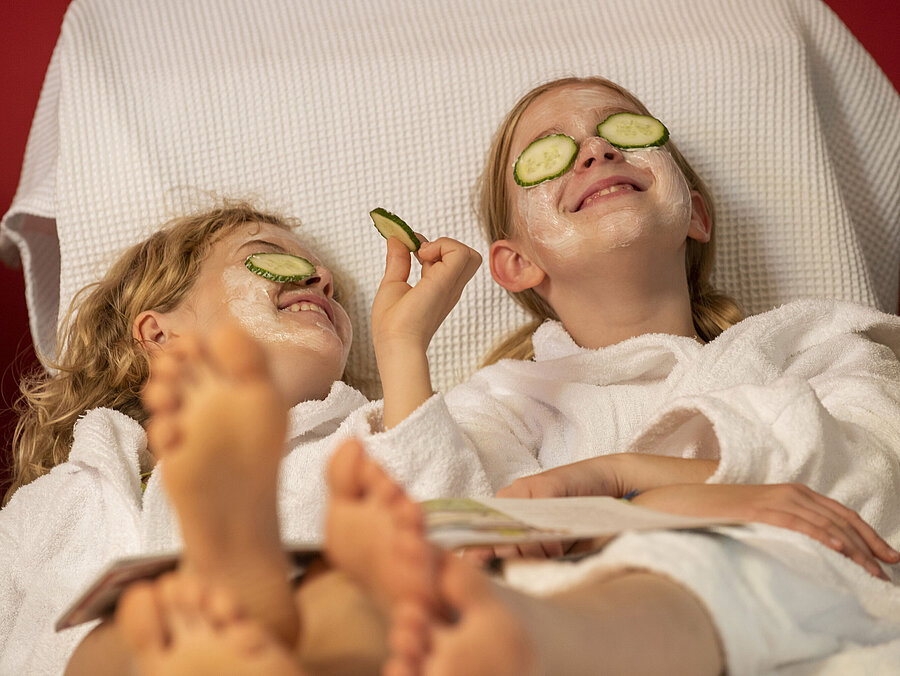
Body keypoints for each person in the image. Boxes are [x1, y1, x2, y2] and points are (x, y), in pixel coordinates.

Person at [365, 75, 900, 672]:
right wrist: (401, 345)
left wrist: (611, 478)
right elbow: (443, 542)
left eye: (620, 132)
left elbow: (874, 486)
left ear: (695, 213)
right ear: (516, 264)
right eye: (550, 153)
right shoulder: (507, 404)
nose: (597, 151)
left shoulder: (815, 345)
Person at [0, 201, 488, 675]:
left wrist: (402, 346)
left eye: (332, 288)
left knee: (344, 610)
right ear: (159, 335)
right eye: (270, 256)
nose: (321, 280)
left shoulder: (363, 444)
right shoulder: (47, 509)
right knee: (107, 646)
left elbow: (469, 561)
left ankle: (242, 613)